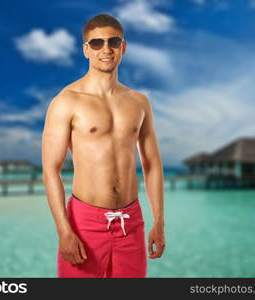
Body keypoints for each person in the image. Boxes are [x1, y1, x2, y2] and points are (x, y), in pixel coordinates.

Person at [41, 14, 165, 278]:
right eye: (96, 43)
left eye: (113, 41)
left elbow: (152, 165)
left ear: (124, 47)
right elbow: (51, 170)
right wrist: (64, 231)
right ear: (86, 50)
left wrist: (159, 222)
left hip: (131, 221)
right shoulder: (66, 102)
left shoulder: (139, 102)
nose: (106, 49)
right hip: (84, 222)